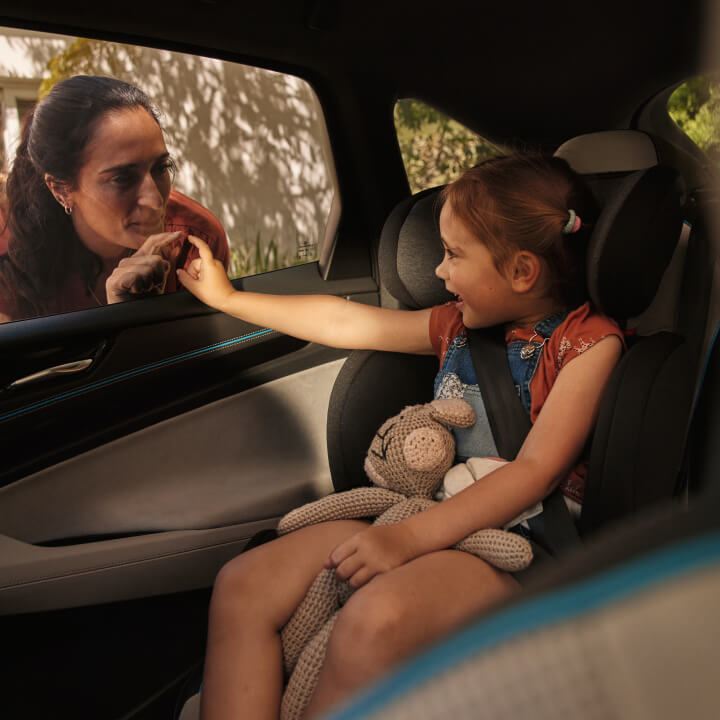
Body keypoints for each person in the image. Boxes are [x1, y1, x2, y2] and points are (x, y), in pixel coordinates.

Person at [177, 154, 624, 720]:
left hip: (524, 551)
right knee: (244, 582)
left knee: (374, 619)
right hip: (429, 517)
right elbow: (344, 322)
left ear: (521, 272)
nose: (437, 272)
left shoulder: (588, 344)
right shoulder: (457, 328)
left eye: (453, 255)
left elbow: (535, 470)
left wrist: (408, 540)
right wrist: (229, 300)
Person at [0, 75, 229, 323]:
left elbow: (198, 352)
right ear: (61, 189)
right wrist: (121, 319)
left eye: (160, 167)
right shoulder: (10, 253)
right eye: (122, 178)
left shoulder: (196, 238)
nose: (155, 201)